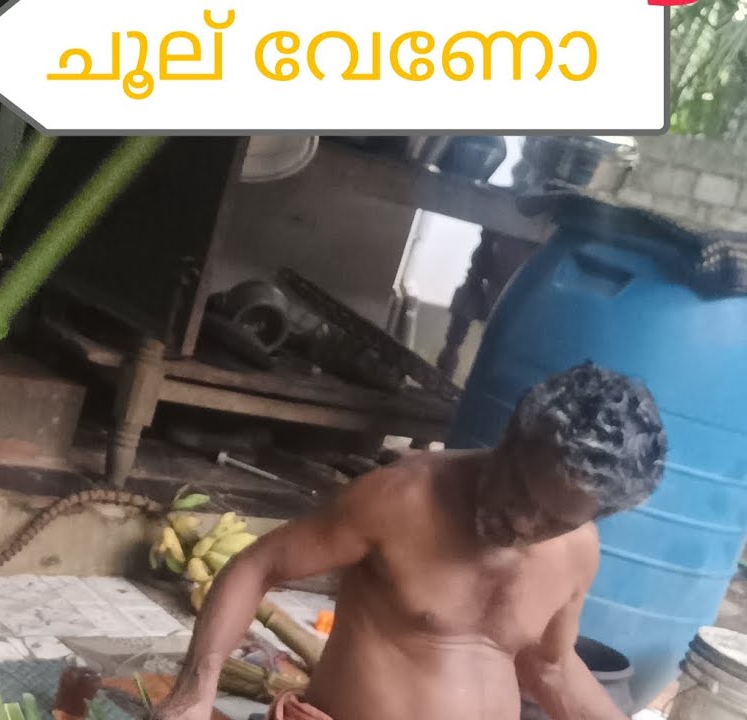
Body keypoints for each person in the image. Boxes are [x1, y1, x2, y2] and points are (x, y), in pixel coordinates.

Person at [154, 363, 667, 720]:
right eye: (521, 489)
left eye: (555, 520)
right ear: (509, 441)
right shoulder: (401, 498)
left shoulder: (578, 552)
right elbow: (257, 567)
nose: (523, 522)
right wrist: (194, 691)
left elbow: (550, 668)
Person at [437, 228, 539, 380]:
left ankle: (454, 360)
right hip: (497, 283)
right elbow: (475, 275)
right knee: (471, 288)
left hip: (525, 297)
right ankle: (447, 364)